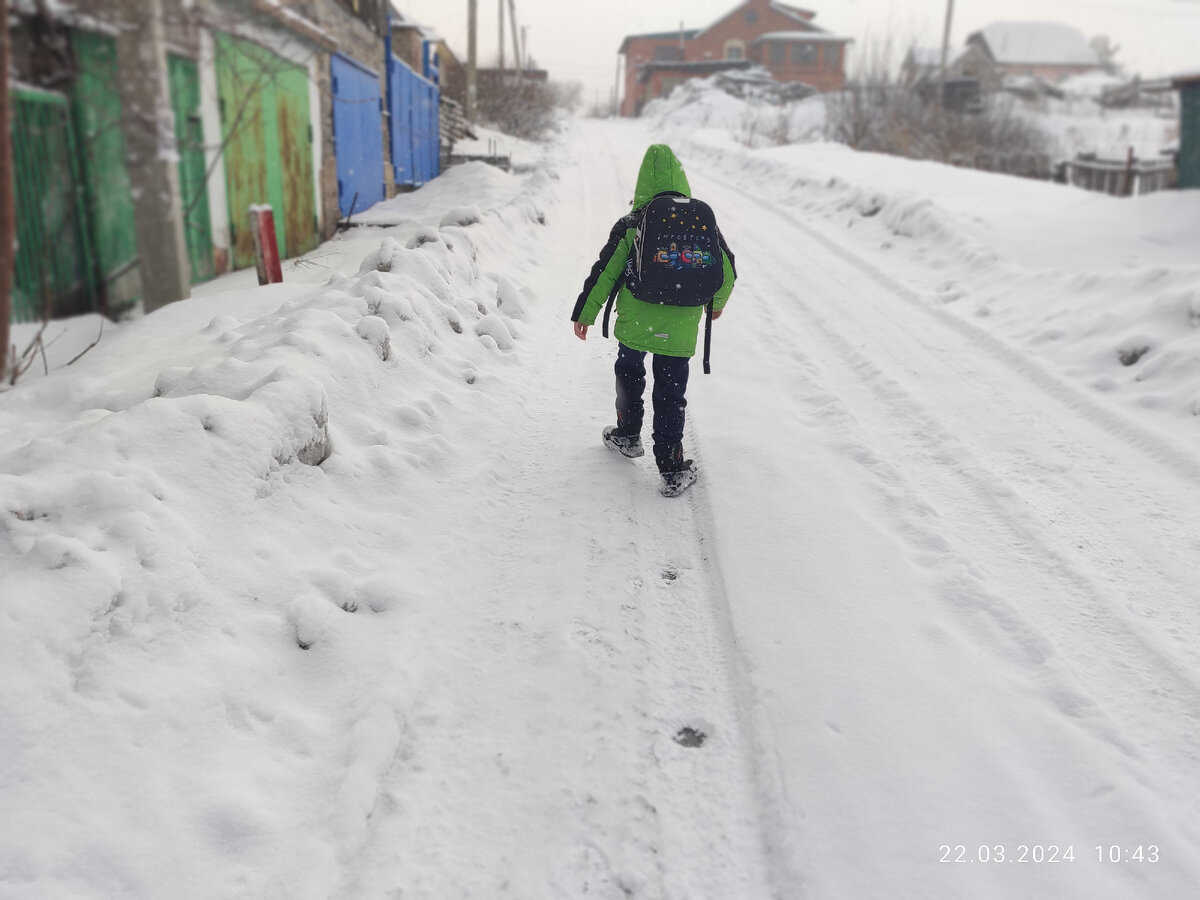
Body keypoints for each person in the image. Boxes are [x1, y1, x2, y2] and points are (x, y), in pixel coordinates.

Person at [571, 144, 736, 497]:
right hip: (680, 329)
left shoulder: (633, 222)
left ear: (643, 182)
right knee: (671, 394)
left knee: (629, 375)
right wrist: (716, 305)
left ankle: (628, 434)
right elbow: (727, 271)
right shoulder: (700, 222)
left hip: (636, 322)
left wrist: (585, 313)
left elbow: (606, 272)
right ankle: (672, 467)